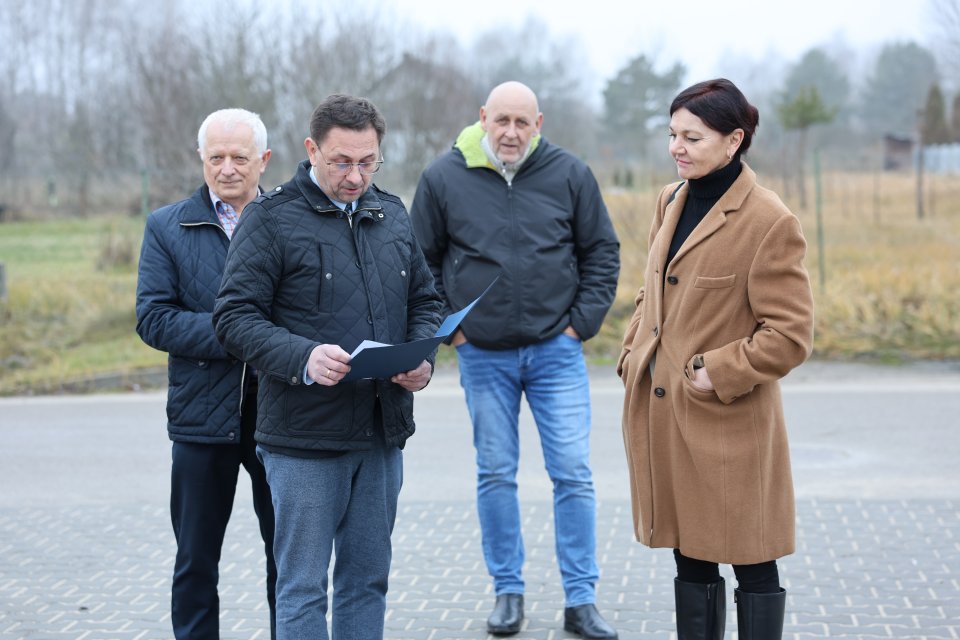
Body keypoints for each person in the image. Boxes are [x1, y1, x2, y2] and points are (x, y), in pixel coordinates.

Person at [212, 94, 442, 640]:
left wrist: (422, 358)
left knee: (367, 582)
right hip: (303, 441)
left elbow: (426, 299)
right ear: (312, 150)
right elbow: (233, 317)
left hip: (381, 432)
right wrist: (304, 358)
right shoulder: (269, 219)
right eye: (341, 162)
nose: (356, 176)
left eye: (368, 162)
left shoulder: (392, 213)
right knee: (303, 588)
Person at [410, 81, 620, 639]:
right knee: (496, 474)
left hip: (557, 351)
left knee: (572, 473)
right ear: (483, 117)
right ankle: (508, 592)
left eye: (521, 122)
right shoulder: (443, 177)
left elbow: (601, 251)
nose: (510, 132)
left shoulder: (570, 174)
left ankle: (581, 600)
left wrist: (579, 326)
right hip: (483, 354)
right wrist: (454, 333)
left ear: (538, 124)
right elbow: (420, 262)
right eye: (501, 120)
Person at [617, 78, 815, 639]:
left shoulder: (769, 220)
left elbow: (790, 334)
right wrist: (633, 351)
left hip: (730, 425)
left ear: (734, 140)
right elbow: (652, 290)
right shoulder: (670, 199)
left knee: (752, 559)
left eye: (692, 138)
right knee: (690, 554)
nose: (677, 148)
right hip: (665, 418)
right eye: (672, 135)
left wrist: (716, 372)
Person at [135, 108, 277, 639]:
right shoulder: (166, 226)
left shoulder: (291, 219)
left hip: (282, 417)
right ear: (201, 158)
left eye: (239, 157)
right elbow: (154, 318)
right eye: (216, 157)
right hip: (200, 418)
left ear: (263, 159)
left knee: (289, 559)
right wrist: (241, 334)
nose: (227, 168)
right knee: (195, 561)